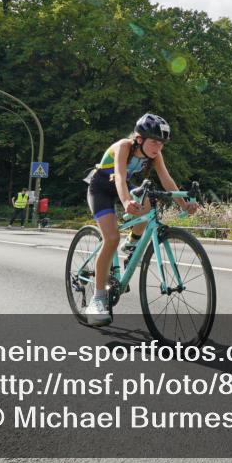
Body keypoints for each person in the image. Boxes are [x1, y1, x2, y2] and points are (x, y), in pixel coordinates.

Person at [82, 114, 198, 326]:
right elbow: (118, 175)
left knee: (148, 203)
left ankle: (133, 242)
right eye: (154, 141)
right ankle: (97, 299)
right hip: (100, 188)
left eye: (162, 143)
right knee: (111, 238)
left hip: (122, 187)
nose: (158, 147)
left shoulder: (155, 156)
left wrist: (185, 204)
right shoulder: (123, 146)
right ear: (139, 138)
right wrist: (126, 201)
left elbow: (166, 180)